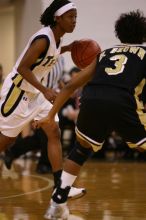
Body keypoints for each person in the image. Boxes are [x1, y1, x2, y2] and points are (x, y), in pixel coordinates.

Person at [35, 10, 146, 219]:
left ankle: (57, 202)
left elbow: (70, 85)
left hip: (92, 99)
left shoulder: (105, 53)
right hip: (123, 102)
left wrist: (50, 115)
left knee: (81, 148)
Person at [0, 0, 85, 199]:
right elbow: (22, 68)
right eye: (70, 17)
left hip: (36, 95)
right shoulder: (43, 38)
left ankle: (60, 187)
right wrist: (45, 89)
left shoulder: (57, 38)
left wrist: (67, 48)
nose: (74, 21)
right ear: (58, 18)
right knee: (6, 141)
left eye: (76, 17)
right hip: (18, 92)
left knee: (53, 131)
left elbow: (49, 56)